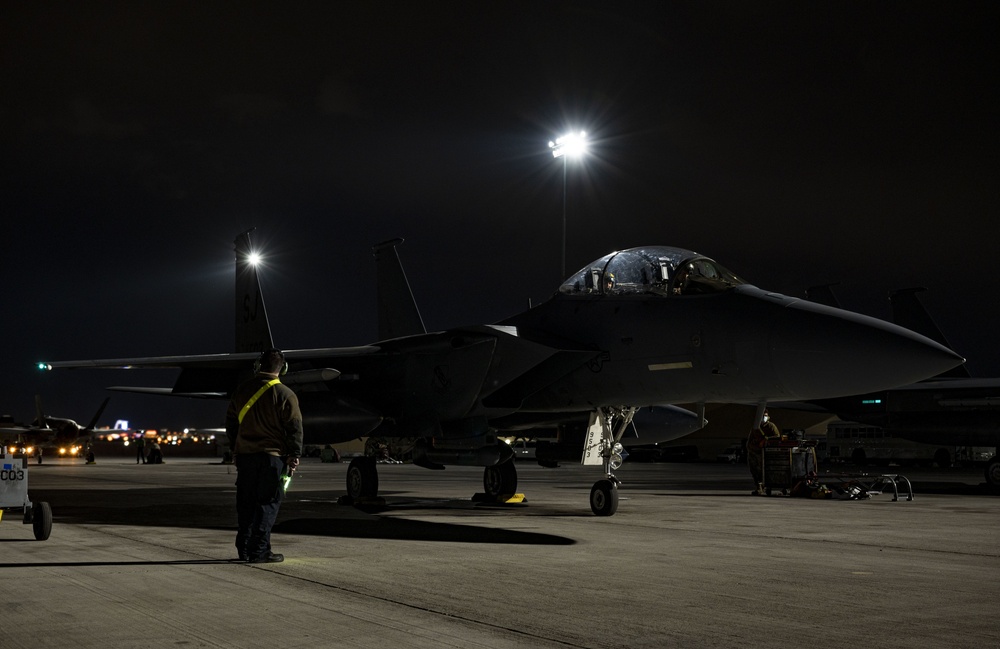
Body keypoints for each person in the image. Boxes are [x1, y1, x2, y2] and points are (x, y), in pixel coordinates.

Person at [225, 348, 303, 563]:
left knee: (246, 503)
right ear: (283, 368)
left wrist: (235, 447)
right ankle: (259, 551)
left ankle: (244, 549)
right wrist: (294, 454)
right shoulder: (286, 394)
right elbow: (294, 427)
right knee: (267, 503)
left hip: (245, 457)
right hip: (272, 458)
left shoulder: (242, 391)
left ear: (258, 366)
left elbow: (231, 423)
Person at [746, 410, 781, 495]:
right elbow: (749, 440)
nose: (763, 417)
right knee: (754, 471)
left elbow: (777, 437)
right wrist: (750, 449)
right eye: (762, 416)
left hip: (764, 453)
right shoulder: (755, 428)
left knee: (764, 471)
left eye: (765, 415)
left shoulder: (771, 426)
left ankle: (767, 487)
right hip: (754, 453)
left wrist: (766, 440)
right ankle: (759, 488)